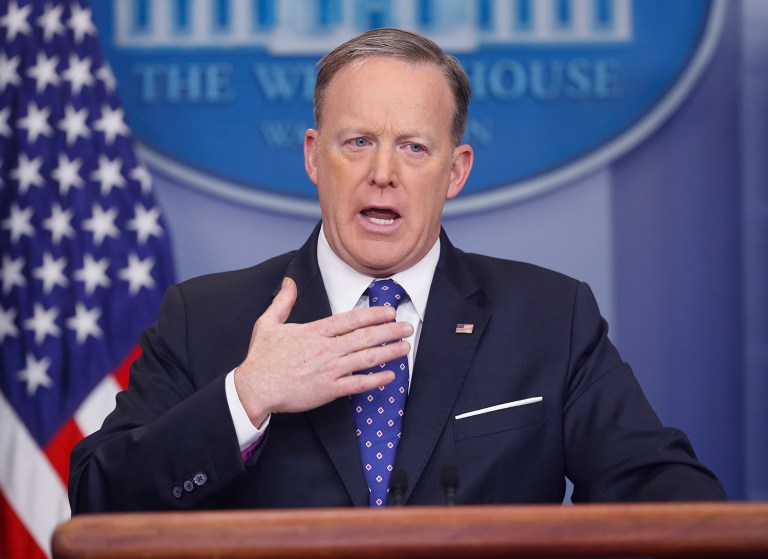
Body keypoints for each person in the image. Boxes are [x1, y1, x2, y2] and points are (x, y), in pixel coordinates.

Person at [69, 28, 725, 513]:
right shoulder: (204, 319)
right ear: (313, 156)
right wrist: (247, 395)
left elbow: (672, 497)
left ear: (456, 171)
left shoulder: (551, 318)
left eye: (414, 146)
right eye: (357, 142)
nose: (383, 172)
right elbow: (98, 499)